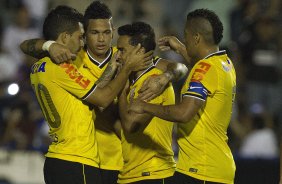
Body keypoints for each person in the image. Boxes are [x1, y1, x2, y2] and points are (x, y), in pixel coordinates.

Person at [20, 1, 188, 183]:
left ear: (113, 31)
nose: (101, 39)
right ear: (84, 34)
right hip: (83, 158)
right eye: (94, 33)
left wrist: (166, 77)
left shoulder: (125, 55)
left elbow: (179, 67)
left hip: (116, 162)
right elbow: (25, 46)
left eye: (106, 32)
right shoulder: (70, 56)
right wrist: (49, 45)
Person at [130, 9, 236, 184]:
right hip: (215, 167)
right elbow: (201, 68)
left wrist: (144, 106)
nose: (184, 39)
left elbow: (183, 113)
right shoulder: (224, 63)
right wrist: (180, 48)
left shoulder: (206, 69)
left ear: (196, 38)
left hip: (201, 170)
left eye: (186, 35)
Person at [117, 22, 175, 184]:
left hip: (152, 174)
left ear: (140, 51)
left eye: (122, 50)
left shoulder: (153, 82)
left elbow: (130, 125)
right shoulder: (131, 79)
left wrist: (121, 90)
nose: (118, 56)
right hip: (131, 174)